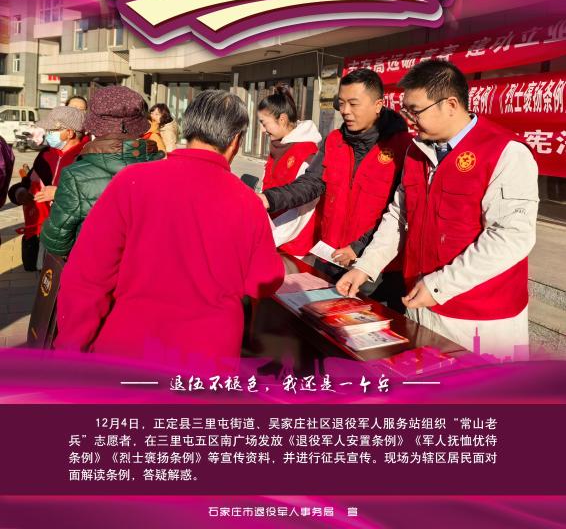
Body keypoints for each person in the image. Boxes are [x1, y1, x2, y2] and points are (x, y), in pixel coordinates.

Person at [54, 90, 285, 365]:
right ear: (236, 140)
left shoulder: (132, 182)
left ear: (188, 129)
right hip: (208, 358)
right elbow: (264, 279)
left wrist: (70, 350)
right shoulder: (248, 202)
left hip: (130, 351)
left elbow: (88, 276)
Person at [336, 60, 539, 359]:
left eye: (416, 111)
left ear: (451, 105)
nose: (410, 120)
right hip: (421, 303)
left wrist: (439, 285)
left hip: (477, 319)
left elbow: (511, 237)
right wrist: (366, 266)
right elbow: (399, 217)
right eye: (406, 111)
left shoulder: (505, 153)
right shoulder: (416, 151)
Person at [260, 69, 410, 305]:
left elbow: (398, 212)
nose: (345, 111)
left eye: (353, 104)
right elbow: (311, 183)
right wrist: (268, 199)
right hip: (329, 258)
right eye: (341, 103)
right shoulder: (334, 141)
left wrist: (359, 247)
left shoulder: (403, 147)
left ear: (378, 104)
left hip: (374, 271)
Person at [41, 86, 164, 258]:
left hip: (93, 267)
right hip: (148, 269)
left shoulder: (75, 176)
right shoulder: (164, 168)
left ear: (94, 126)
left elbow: (56, 242)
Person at [8, 106, 85, 271]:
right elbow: (27, 183)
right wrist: (19, 192)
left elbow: (94, 197)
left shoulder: (86, 157)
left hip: (73, 238)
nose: (48, 134)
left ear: (69, 133)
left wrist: (59, 193)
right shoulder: (46, 154)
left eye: (52, 130)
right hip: (44, 235)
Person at [258, 84, 322, 256]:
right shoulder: (279, 145)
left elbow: (303, 212)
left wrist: (268, 238)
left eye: (264, 123)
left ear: (282, 119)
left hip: (293, 247)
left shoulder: (307, 153)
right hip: (271, 238)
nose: (262, 130)